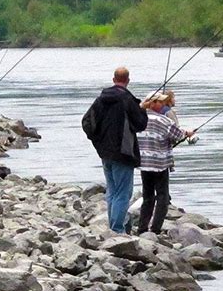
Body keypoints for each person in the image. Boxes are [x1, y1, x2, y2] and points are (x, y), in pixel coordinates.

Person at [82, 67, 148, 234]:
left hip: (105, 153)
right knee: (123, 193)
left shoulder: (100, 99)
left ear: (113, 79)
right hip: (123, 153)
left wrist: (98, 141)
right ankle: (117, 229)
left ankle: (113, 227)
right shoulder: (127, 100)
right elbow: (141, 124)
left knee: (112, 190)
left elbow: (86, 122)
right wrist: (142, 109)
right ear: (128, 80)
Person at [137, 91, 194, 235]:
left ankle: (142, 228)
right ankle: (155, 229)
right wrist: (189, 133)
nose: (163, 104)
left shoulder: (138, 118)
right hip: (160, 164)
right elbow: (178, 135)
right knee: (162, 196)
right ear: (153, 103)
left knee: (147, 196)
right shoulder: (163, 121)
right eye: (160, 102)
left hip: (144, 162)